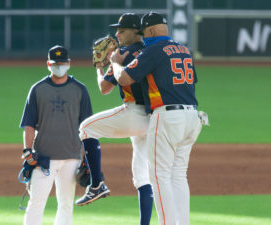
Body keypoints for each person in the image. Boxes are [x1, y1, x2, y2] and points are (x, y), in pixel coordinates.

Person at [110, 12, 203, 225]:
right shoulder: (184, 50)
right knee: (178, 175)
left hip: (168, 116)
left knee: (159, 177)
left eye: (144, 33)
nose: (143, 37)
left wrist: (115, 63)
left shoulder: (153, 50)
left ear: (151, 31)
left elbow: (124, 78)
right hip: (192, 116)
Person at [75, 13, 153, 225]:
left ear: (135, 31)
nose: (116, 34)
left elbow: (105, 88)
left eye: (121, 30)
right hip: (154, 118)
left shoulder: (123, 54)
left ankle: (97, 184)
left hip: (134, 114)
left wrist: (100, 67)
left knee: (86, 128)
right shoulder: (150, 51)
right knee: (142, 177)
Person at [19, 45, 109, 225]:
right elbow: (29, 125)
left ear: (69, 63)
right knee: (36, 203)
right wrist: (28, 150)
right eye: (55, 63)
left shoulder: (80, 90)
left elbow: (87, 127)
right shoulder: (37, 89)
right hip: (43, 159)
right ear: (48, 64)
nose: (58, 66)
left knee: (66, 204)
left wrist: (86, 157)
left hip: (72, 157)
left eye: (61, 63)